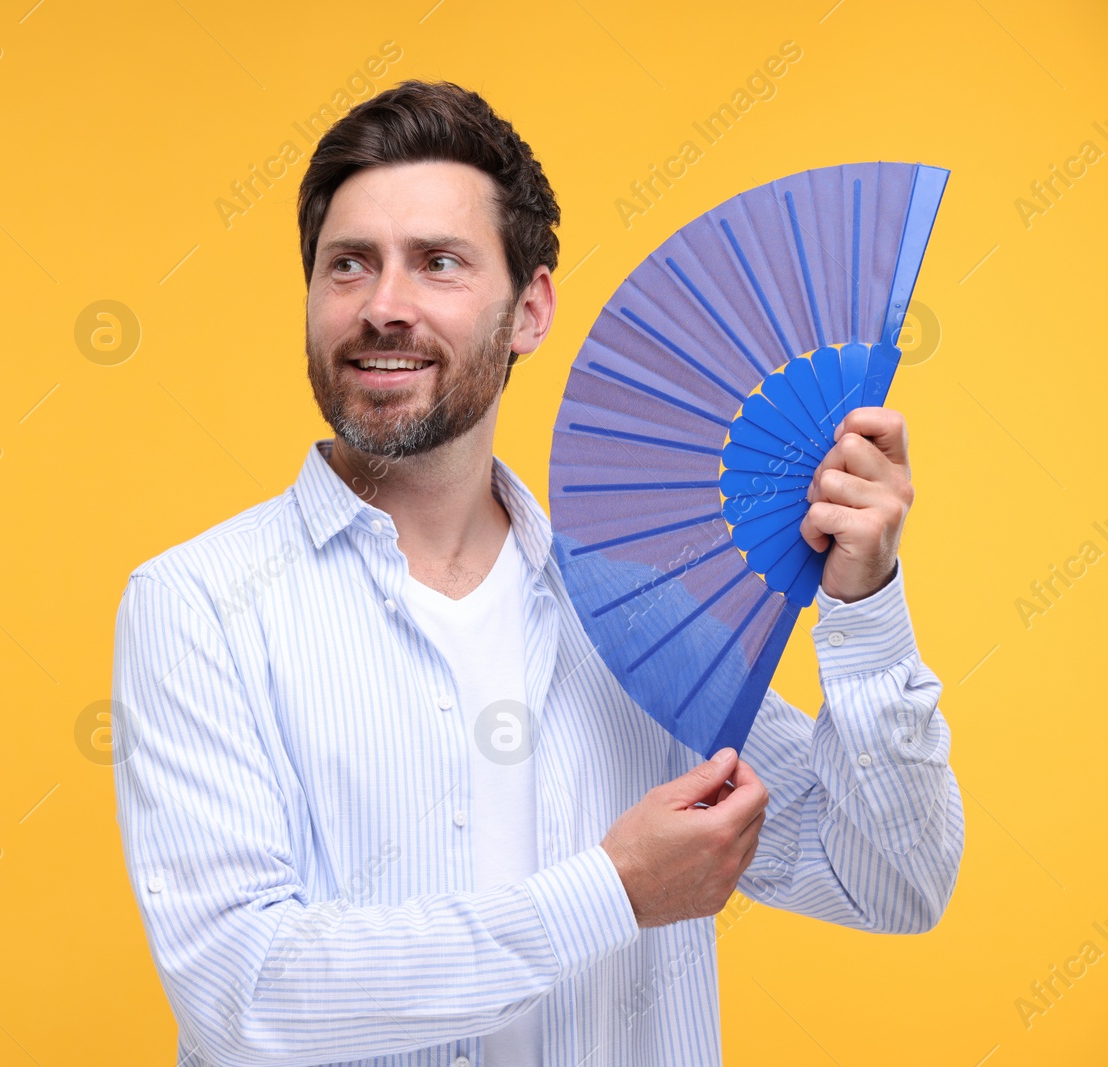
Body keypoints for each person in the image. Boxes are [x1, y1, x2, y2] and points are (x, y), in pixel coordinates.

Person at [111, 79, 962, 1067]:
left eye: (437, 263)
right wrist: (609, 891)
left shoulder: (637, 610)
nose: (384, 306)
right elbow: (242, 992)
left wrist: (863, 606)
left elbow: (891, 880)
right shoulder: (199, 605)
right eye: (348, 265)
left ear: (529, 308)